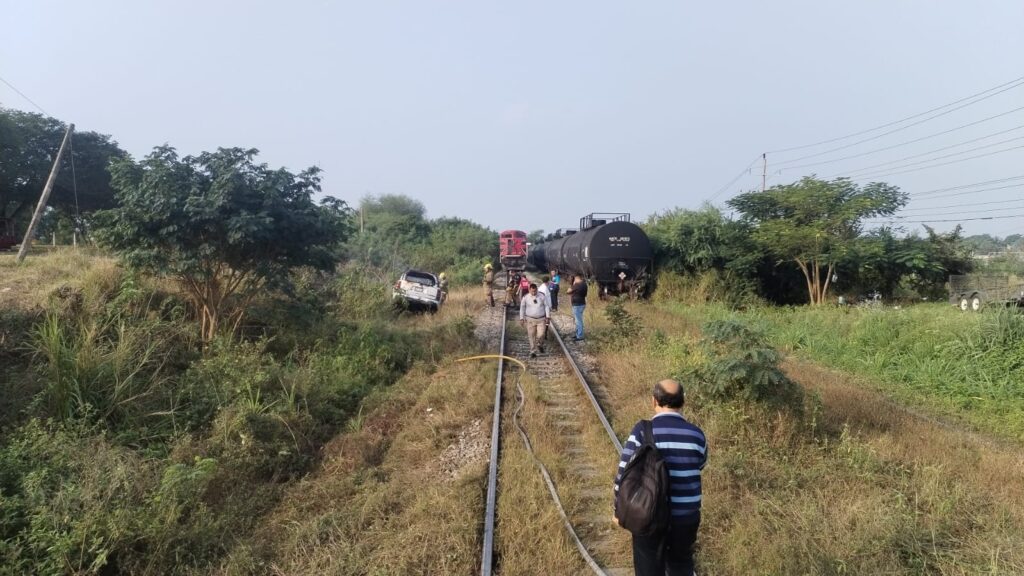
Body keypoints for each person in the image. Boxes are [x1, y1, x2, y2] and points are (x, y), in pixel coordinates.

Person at [613, 379, 707, 576]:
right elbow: (700, 464)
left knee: (648, 569)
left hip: (649, 514)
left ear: (654, 401)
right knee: (681, 565)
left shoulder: (642, 430)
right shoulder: (698, 435)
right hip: (686, 517)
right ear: (683, 402)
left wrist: (618, 509)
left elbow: (624, 472)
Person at [519, 283, 550, 358]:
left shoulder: (542, 296)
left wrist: (548, 316)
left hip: (541, 319)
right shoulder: (525, 297)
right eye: (532, 291)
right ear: (529, 290)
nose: (533, 293)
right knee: (531, 335)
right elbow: (522, 308)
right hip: (530, 319)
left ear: (537, 290)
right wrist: (521, 318)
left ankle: (540, 344)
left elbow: (546, 306)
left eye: (535, 291)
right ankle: (533, 351)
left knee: (541, 334)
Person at [566, 274, 587, 341]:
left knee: (578, 321)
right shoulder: (584, 284)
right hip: (582, 303)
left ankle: (580, 336)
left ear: (577, 278)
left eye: (575, 279)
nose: (574, 280)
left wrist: (573, 285)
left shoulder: (577, 285)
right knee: (578, 320)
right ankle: (578, 333)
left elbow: (568, 291)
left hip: (577, 304)